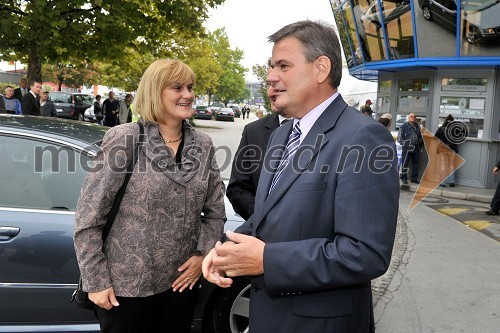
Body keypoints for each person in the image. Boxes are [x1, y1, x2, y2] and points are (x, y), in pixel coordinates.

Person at [202, 20, 399, 332]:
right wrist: (225, 249)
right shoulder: (281, 135)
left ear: (320, 69)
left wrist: (268, 260)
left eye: (283, 65)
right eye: (271, 66)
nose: (270, 77)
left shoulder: (364, 138)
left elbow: (366, 254)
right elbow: (264, 219)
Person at [74, 59, 226, 333]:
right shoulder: (126, 138)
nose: (188, 95)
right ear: (155, 92)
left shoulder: (203, 145)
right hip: (126, 288)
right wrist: (95, 280)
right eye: (177, 87)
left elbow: (215, 211)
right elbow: (88, 218)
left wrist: (203, 253)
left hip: (181, 285)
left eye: (190, 87)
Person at [226, 84, 291, 221]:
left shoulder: (327, 130)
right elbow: (237, 188)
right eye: (269, 85)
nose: (271, 91)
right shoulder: (253, 131)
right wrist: (264, 220)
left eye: (278, 85)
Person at [398, 112, 423, 184]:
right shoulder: (403, 126)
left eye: (414, 117)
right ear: (408, 117)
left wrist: (420, 144)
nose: (413, 118)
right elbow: (399, 139)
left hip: (416, 147)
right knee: (405, 163)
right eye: (411, 116)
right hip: (407, 147)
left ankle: (414, 178)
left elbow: (420, 136)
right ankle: (403, 178)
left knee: (415, 163)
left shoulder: (417, 126)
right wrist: (406, 144)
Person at [435, 114, 459, 187]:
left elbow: (435, 137)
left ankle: (443, 183)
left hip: (443, 149)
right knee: (451, 164)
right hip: (452, 149)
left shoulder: (441, 128)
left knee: (443, 165)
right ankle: (452, 182)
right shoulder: (455, 129)